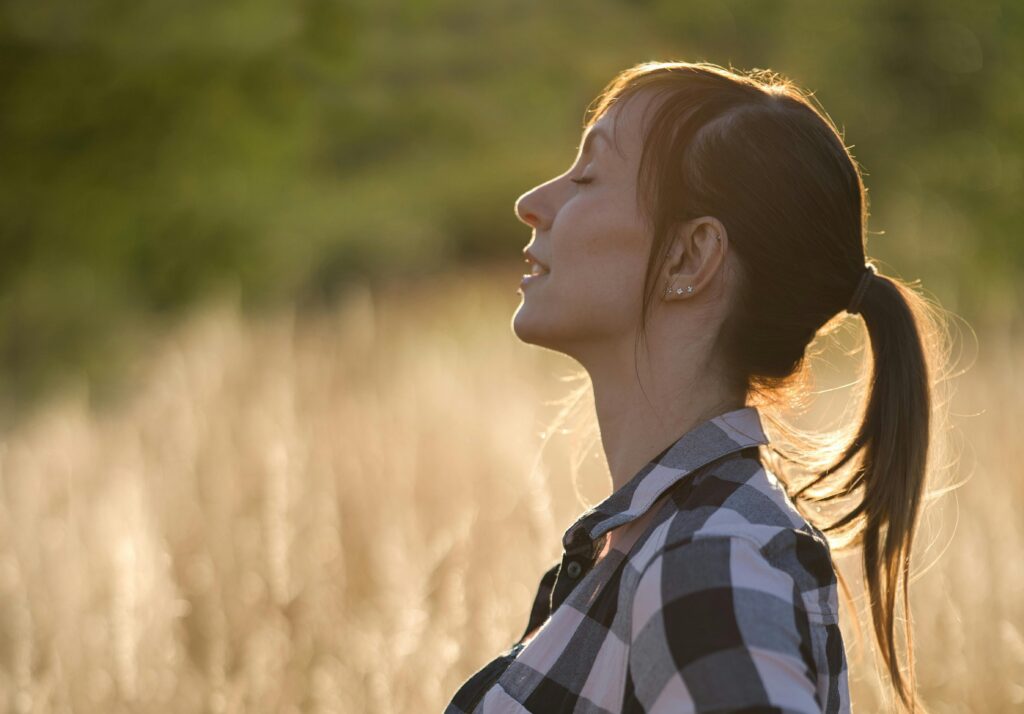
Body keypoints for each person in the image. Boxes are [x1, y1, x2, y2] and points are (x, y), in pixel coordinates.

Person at [445, 61, 948, 714]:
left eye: (588, 176)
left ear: (690, 256)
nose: (531, 203)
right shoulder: (666, 540)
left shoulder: (706, 557)